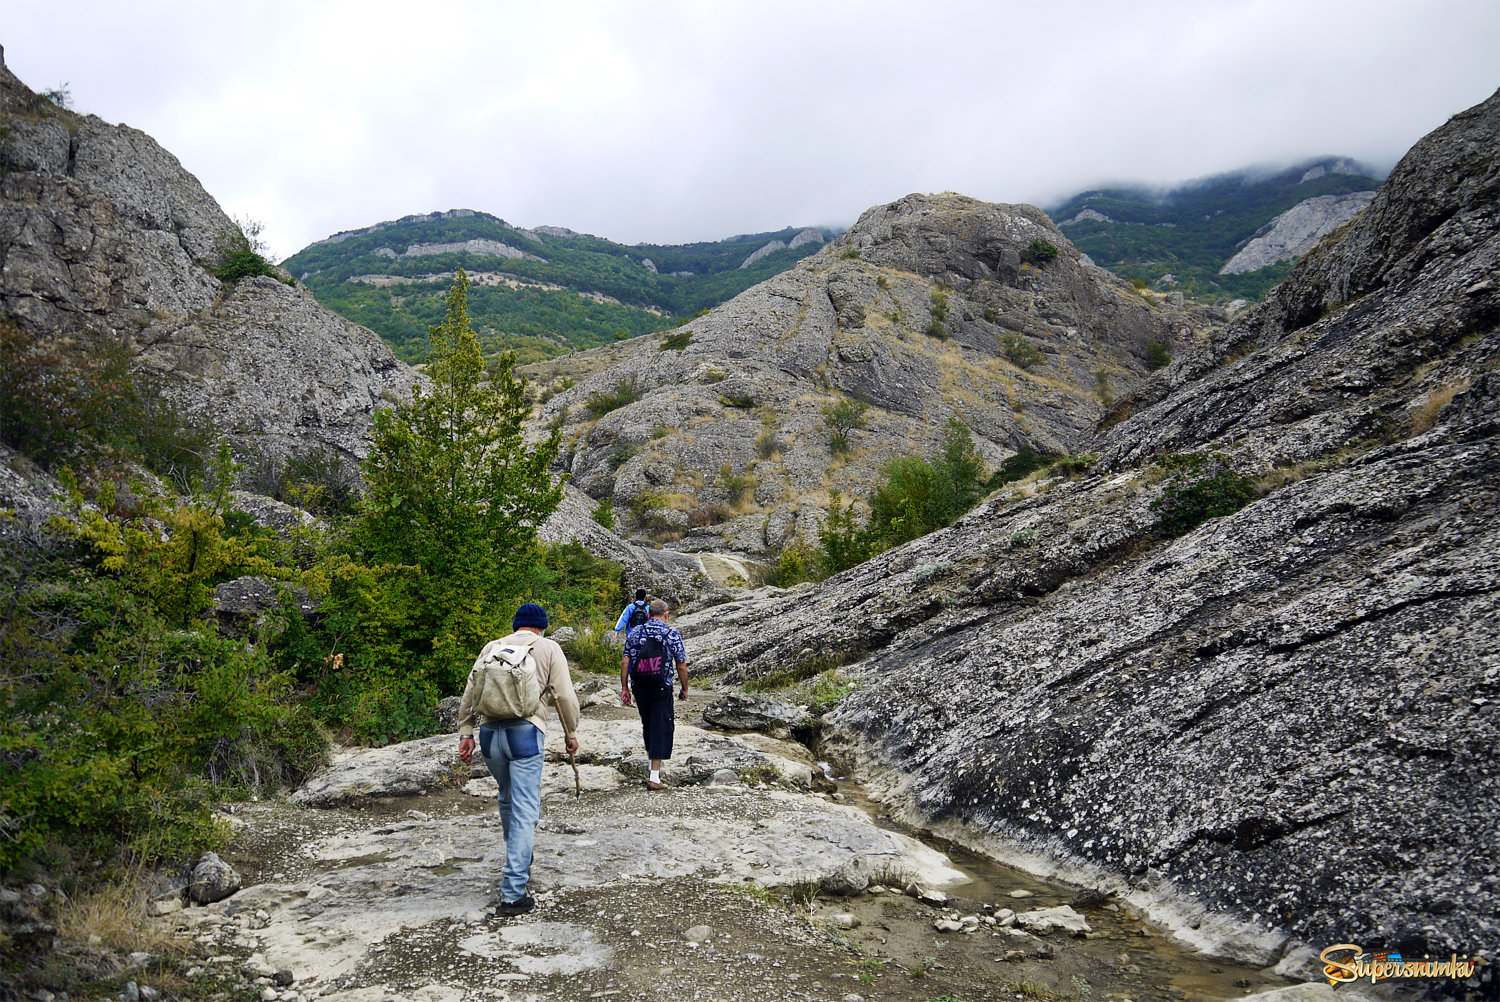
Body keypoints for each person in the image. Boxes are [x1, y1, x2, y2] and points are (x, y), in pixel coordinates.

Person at [457, 602, 580, 916]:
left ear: (516, 625)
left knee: (508, 799)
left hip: (489, 735)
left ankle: (518, 860)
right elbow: (564, 695)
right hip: (525, 734)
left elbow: (471, 691)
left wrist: (466, 732)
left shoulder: (492, 647)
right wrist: (571, 733)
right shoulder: (548, 648)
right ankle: (513, 893)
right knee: (526, 809)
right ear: (541, 626)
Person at [620, 599, 688, 791]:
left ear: (649, 614)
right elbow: (681, 665)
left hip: (640, 687)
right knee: (660, 727)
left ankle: (652, 770)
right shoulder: (672, 634)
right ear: (666, 615)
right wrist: (685, 688)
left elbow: (625, 662)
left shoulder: (635, 632)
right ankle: (654, 777)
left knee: (648, 724)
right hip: (661, 687)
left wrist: (625, 688)